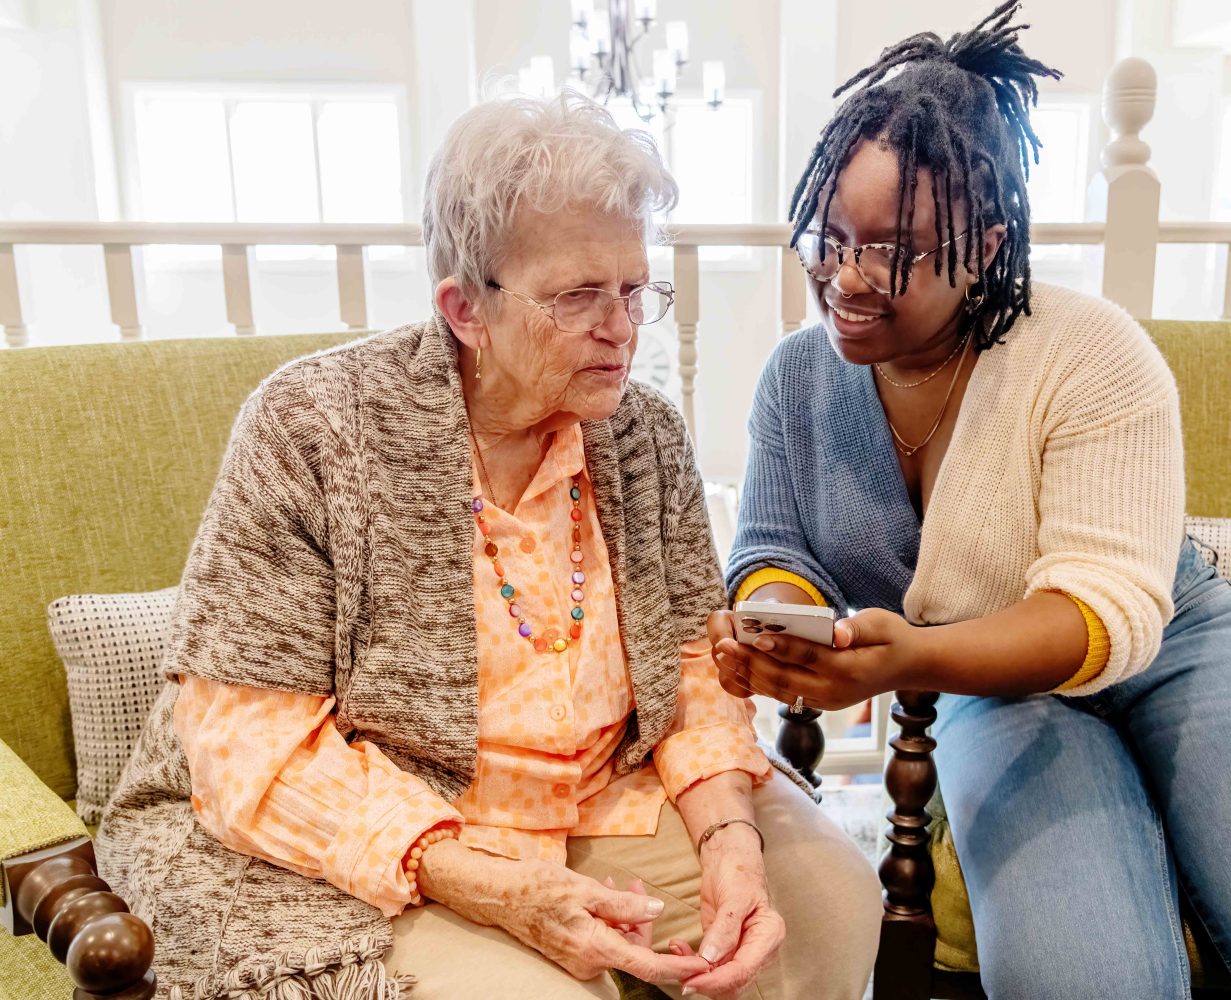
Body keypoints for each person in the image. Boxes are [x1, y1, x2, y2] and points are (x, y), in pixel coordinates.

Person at [710, 5, 1231, 999]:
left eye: (893, 250)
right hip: (997, 691)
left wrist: (912, 659)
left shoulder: (1090, 352)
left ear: (984, 246)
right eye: (829, 238)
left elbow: (1105, 609)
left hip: (1178, 651)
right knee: (1081, 974)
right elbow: (774, 550)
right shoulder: (798, 378)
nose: (844, 279)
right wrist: (780, 625)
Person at [98, 92, 880, 1000]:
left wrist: (730, 838)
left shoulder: (643, 433)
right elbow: (247, 738)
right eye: (578, 296)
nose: (621, 328)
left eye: (634, 290)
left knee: (828, 902)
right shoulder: (315, 429)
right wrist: (498, 888)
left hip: (606, 796)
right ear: (465, 308)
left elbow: (690, 668)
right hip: (405, 829)